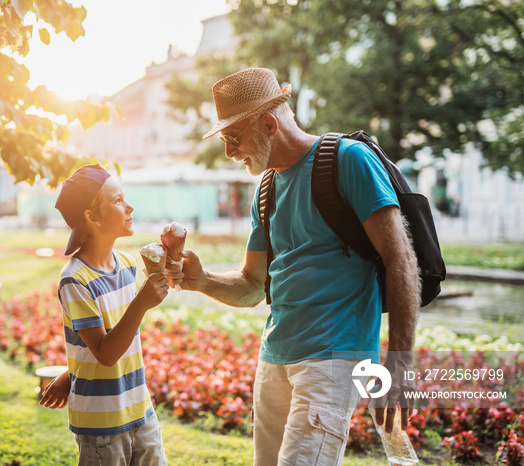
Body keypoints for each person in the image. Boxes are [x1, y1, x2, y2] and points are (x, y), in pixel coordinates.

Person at [168, 68, 420, 465]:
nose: (230, 153)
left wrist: (401, 362)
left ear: (268, 123)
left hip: (333, 360)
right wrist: (202, 281)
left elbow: (400, 258)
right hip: (274, 360)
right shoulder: (265, 191)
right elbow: (253, 286)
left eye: (233, 138)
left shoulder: (349, 161)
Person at [40, 164, 169, 466]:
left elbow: (105, 339)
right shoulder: (75, 280)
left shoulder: (126, 265)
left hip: (139, 407)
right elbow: (105, 353)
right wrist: (141, 304)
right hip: (101, 426)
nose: (130, 206)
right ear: (92, 217)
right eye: (118, 200)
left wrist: (72, 372)